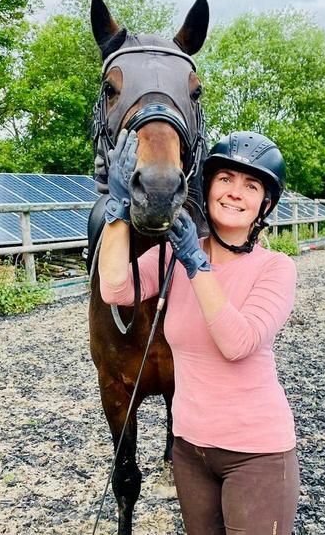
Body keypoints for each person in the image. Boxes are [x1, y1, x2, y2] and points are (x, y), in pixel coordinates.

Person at [98, 129, 300, 535]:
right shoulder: (170, 257)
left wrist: (195, 261)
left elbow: (237, 343)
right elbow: (114, 289)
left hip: (257, 454)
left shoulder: (276, 268)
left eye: (251, 185)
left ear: (265, 204)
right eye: (225, 179)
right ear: (207, 189)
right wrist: (117, 209)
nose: (235, 192)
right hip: (190, 452)